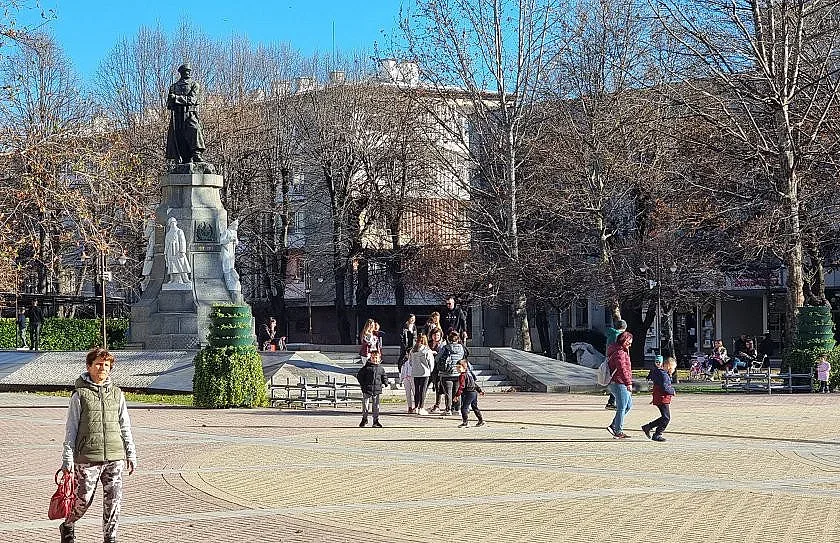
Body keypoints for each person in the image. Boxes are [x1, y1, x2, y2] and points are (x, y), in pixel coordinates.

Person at [59, 348, 137, 543]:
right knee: (83, 500)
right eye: (99, 364)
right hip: (87, 458)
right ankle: (68, 524)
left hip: (114, 456)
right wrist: (67, 458)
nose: (102, 368)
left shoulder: (117, 394)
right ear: (89, 367)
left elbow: (124, 425)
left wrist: (131, 453)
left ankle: (110, 538)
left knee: (114, 501)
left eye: (106, 365)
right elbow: (71, 428)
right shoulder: (79, 395)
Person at [165, 63, 206, 164]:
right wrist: (171, 101)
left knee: (194, 130)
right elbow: (169, 105)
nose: (188, 72)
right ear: (181, 72)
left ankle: (197, 153)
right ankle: (185, 157)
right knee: (179, 137)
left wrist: (176, 98)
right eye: (185, 71)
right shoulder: (173, 87)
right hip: (177, 115)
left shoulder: (194, 85)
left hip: (190, 113)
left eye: (189, 71)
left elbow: (192, 99)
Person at [606, 331, 634, 439]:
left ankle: (614, 426)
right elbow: (622, 369)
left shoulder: (620, 350)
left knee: (628, 405)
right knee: (622, 407)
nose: (630, 345)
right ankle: (618, 430)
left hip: (618, 382)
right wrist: (628, 383)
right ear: (624, 341)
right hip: (619, 382)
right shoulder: (620, 353)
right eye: (629, 342)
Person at [642, 357, 677, 442]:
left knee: (665, 417)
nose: (674, 370)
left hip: (660, 397)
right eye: (673, 368)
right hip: (662, 398)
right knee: (666, 418)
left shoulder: (662, 373)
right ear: (669, 366)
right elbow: (665, 387)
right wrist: (672, 391)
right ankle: (657, 434)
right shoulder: (664, 375)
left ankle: (648, 427)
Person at [435, 331, 466, 416]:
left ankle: (448, 409)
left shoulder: (445, 348)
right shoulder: (461, 348)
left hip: (446, 374)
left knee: (448, 392)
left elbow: (437, 359)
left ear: (448, 339)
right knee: (457, 392)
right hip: (457, 373)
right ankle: (457, 409)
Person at [356, 351, 388, 428]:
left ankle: (375, 421)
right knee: (365, 405)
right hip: (367, 389)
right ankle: (364, 419)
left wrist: (385, 383)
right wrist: (363, 385)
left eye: (376, 358)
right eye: (373, 358)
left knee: (376, 406)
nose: (375, 359)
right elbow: (359, 376)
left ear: (379, 358)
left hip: (376, 390)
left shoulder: (381, 368)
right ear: (370, 358)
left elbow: (384, 376)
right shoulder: (366, 368)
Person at [604, 319, 627, 410]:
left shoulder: (611, 334)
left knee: (614, 380)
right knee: (618, 380)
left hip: (609, 358)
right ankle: (614, 401)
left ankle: (611, 401)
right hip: (616, 359)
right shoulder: (619, 336)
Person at [454, 359, 485, 428]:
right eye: (456, 367)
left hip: (468, 393)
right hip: (474, 393)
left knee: (464, 408)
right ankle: (481, 420)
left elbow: (462, 386)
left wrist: (457, 395)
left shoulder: (462, 376)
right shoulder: (469, 374)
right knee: (474, 407)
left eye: (459, 367)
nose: (457, 369)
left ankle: (465, 422)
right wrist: (479, 390)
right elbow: (474, 384)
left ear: (464, 367)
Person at [409, 334, 435, 414]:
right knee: (423, 390)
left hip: (415, 372)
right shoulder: (427, 350)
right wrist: (430, 370)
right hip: (425, 372)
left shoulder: (413, 350)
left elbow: (410, 362)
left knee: (416, 390)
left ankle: (416, 407)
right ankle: (421, 407)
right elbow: (431, 362)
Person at [164, 218, 191, 284]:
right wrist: (165, 252)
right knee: (172, 265)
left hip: (178, 250)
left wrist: (182, 251)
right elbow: (166, 243)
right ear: (169, 224)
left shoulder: (179, 231)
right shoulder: (168, 234)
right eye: (171, 222)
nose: (172, 223)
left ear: (176, 223)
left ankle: (184, 278)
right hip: (170, 251)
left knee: (181, 265)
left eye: (173, 222)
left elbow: (182, 241)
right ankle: (173, 279)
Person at [219, 219, 241, 292]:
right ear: (232, 225)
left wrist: (235, 241)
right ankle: (227, 279)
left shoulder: (235, 233)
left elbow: (237, 242)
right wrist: (229, 239)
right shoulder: (226, 231)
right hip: (226, 250)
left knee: (231, 265)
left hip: (231, 251)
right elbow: (221, 241)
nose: (237, 227)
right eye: (236, 225)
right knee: (226, 265)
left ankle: (230, 279)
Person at [427, 329, 446, 413]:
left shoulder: (443, 344)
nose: (436, 337)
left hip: (437, 368)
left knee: (438, 387)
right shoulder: (428, 343)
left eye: (438, 335)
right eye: (434, 335)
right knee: (424, 387)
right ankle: (420, 405)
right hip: (428, 368)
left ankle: (437, 405)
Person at [399, 348, 415, 413]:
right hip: (406, 378)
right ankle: (410, 407)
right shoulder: (405, 363)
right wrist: (401, 380)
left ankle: (417, 406)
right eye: (408, 354)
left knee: (415, 393)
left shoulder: (415, 362)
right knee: (408, 393)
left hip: (413, 378)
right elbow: (402, 372)